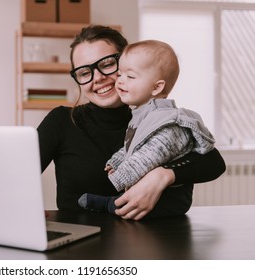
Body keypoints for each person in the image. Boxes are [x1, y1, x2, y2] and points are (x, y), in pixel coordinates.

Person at [37, 25, 226, 220]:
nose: (99, 78)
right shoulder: (61, 121)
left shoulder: (159, 119)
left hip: (158, 243)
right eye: (84, 73)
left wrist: (162, 176)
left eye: (107, 63)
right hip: (81, 244)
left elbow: (214, 163)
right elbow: (14, 176)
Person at [78, 39, 215, 214]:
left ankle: (110, 204)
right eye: (120, 75)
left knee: (127, 206)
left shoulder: (168, 121)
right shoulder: (141, 114)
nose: (120, 81)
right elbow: (135, 145)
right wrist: (118, 160)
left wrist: (123, 175)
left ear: (156, 87)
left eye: (130, 77)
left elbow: (152, 153)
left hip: (169, 201)